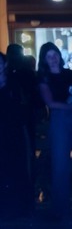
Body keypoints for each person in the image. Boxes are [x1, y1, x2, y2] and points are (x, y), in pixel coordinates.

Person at [38, 42, 72, 220]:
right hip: (61, 117)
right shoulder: (44, 78)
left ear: (59, 55)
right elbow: (50, 103)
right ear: (44, 60)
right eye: (49, 56)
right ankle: (61, 209)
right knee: (60, 162)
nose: (53, 58)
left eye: (55, 54)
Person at [0, 51, 34, 218]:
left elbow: (22, 106)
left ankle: (18, 208)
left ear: (5, 64)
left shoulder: (14, 83)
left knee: (15, 166)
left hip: (13, 131)